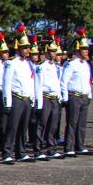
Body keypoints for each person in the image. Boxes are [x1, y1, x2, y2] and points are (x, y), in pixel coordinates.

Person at [0, 24, 37, 164]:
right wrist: (7, 103)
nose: (28, 50)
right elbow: (6, 84)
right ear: (19, 48)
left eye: (28, 47)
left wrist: (32, 98)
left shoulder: (27, 64)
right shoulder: (11, 63)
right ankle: (7, 152)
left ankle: (21, 152)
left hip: (26, 98)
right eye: (25, 48)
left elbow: (30, 82)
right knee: (12, 127)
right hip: (16, 98)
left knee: (23, 127)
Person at [60, 28, 93, 156]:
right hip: (74, 96)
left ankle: (80, 145)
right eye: (84, 49)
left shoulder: (86, 64)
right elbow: (64, 81)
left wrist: (89, 95)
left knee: (82, 123)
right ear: (78, 50)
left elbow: (88, 81)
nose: (87, 51)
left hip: (84, 96)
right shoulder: (71, 64)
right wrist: (65, 97)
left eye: (87, 49)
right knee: (72, 123)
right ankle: (69, 147)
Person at [34, 31, 63, 159]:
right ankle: (38, 150)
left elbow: (57, 83)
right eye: (52, 51)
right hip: (45, 97)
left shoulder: (55, 66)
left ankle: (51, 148)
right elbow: (38, 85)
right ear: (46, 51)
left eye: (55, 51)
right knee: (41, 124)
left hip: (54, 98)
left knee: (53, 125)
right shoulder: (41, 66)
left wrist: (59, 96)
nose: (54, 53)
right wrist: (39, 103)